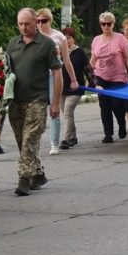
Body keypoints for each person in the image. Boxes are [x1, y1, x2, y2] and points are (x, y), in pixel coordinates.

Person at [4, 7, 63, 195]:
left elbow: (57, 74)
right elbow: (5, 72)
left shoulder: (46, 45)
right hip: (16, 100)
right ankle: (38, 174)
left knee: (30, 140)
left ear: (35, 22)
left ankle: (24, 179)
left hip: (37, 100)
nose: (23, 27)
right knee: (22, 142)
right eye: (20, 24)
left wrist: (55, 103)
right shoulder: (13, 44)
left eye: (27, 24)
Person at [34, 9, 78, 155]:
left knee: (54, 109)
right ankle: (34, 142)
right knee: (36, 110)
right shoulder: (33, 36)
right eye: (38, 21)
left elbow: (66, 60)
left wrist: (73, 80)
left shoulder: (58, 36)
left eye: (44, 21)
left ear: (50, 21)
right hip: (37, 76)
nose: (40, 24)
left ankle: (54, 144)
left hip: (54, 75)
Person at [90, 11, 128, 142]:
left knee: (117, 105)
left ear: (113, 24)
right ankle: (108, 134)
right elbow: (93, 59)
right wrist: (90, 77)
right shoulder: (96, 40)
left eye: (109, 24)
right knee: (104, 106)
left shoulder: (120, 38)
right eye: (103, 24)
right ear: (100, 25)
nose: (106, 26)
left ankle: (122, 125)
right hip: (101, 76)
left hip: (118, 77)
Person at [58, 25, 89, 151]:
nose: (67, 40)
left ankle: (65, 139)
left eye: (69, 37)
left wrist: (95, 83)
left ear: (74, 39)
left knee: (68, 111)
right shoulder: (58, 52)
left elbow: (88, 69)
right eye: (64, 38)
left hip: (76, 87)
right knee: (66, 114)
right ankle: (73, 137)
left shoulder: (79, 52)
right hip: (61, 88)